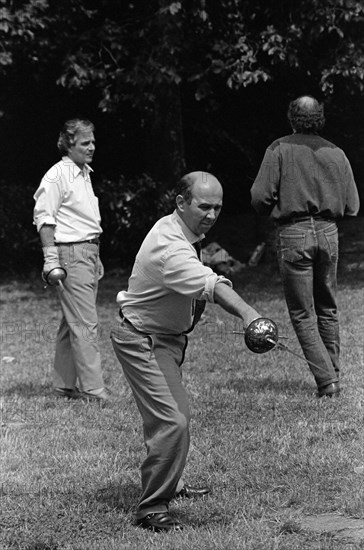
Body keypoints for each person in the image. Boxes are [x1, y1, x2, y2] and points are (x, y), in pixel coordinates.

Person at [111, 171, 261, 532]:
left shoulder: (182, 231)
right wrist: (250, 314)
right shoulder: (170, 246)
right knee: (172, 421)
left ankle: (171, 481)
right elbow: (210, 284)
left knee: (178, 413)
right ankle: (152, 507)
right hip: (142, 340)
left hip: (164, 339)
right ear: (181, 203)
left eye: (218, 207)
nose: (211, 214)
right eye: (204, 206)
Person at [251, 95, 360, 398]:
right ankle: (333, 375)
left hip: (294, 232)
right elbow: (353, 205)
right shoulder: (337, 152)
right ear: (320, 118)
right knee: (328, 308)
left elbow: (259, 197)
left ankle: (327, 382)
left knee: (302, 313)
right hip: (328, 232)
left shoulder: (279, 148)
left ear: (292, 118)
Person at [33, 118, 109, 403]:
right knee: (85, 324)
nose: (92, 147)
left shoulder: (83, 173)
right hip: (70, 254)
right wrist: (50, 258)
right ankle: (94, 390)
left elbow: (84, 220)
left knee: (72, 322)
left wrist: (96, 255)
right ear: (69, 144)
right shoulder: (57, 175)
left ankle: (64, 385)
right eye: (85, 142)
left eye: (93, 141)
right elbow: (44, 218)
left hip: (87, 252)